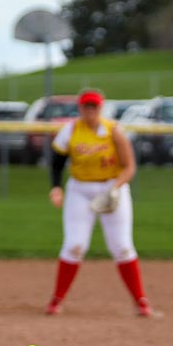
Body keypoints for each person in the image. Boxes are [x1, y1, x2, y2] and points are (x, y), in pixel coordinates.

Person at [45, 89, 155, 318]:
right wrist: (56, 187)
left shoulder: (113, 131)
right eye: (86, 107)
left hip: (111, 189)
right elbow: (56, 162)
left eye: (94, 107)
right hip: (80, 191)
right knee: (75, 246)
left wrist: (114, 189)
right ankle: (56, 300)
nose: (90, 111)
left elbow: (129, 167)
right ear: (80, 109)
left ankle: (140, 301)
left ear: (101, 108)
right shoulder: (71, 130)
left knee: (122, 247)